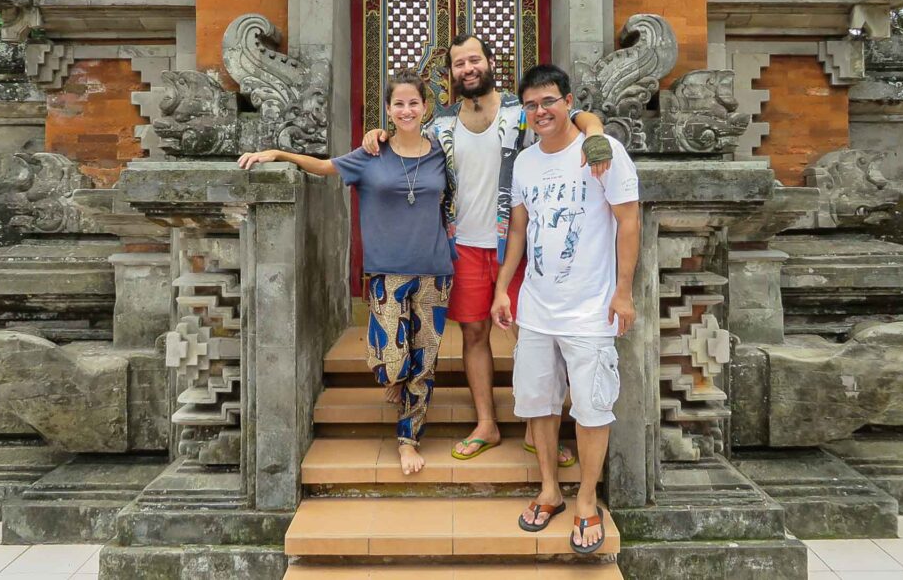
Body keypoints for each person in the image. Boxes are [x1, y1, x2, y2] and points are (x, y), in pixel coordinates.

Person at [363, 34, 616, 464]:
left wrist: (595, 133)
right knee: (475, 333)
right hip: (462, 247)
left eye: (474, 59)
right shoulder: (438, 126)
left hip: (518, 246)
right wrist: (377, 133)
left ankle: (541, 430)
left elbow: (577, 114)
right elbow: (402, 141)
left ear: (490, 62)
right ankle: (487, 423)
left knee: (531, 334)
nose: (468, 69)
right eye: (459, 63)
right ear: (451, 75)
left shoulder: (524, 116)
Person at [238, 69, 452, 477]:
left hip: (434, 271)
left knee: (425, 363)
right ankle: (395, 376)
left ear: (426, 107)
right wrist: (277, 155)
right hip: (386, 272)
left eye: (414, 103)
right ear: (388, 110)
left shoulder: (443, 153)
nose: (406, 110)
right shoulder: (370, 155)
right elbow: (321, 167)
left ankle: (408, 439)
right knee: (392, 361)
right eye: (398, 103)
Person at [491, 64, 639, 553]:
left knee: (593, 409)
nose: (541, 111)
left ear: (568, 101)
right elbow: (517, 230)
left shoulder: (601, 151)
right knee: (539, 404)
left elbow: (628, 220)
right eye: (531, 105)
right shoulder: (526, 162)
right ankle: (550, 489)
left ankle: (588, 501)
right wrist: (502, 289)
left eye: (549, 101)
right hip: (536, 308)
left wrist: (623, 290)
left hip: (591, 310)